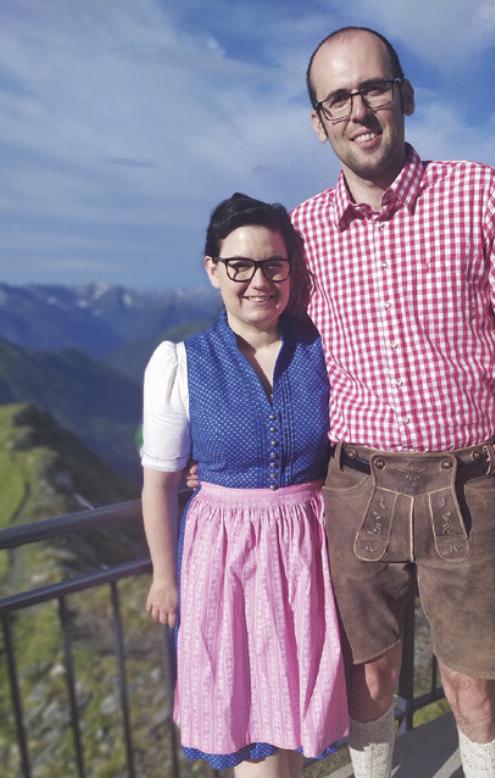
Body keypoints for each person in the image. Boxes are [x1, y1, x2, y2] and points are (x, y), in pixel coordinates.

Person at [290, 26, 495, 778]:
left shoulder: (475, 191)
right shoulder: (304, 230)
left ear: (405, 96)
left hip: (466, 484)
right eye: (338, 98)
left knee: (472, 688)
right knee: (370, 682)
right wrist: (217, 459)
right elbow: (276, 361)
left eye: (373, 88)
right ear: (318, 123)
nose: (359, 110)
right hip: (355, 486)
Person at [140, 193, 348, 777]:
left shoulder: (322, 350)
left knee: (292, 727)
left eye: (273, 266)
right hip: (224, 561)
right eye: (240, 266)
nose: (258, 281)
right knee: (250, 732)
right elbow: (157, 484)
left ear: (290, 271)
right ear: (213, 269)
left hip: (310, 554)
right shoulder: (181, 364)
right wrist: (164, 575)